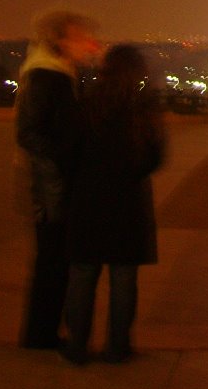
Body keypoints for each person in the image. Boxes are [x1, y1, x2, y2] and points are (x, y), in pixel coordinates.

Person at [60, 45, 166, 364]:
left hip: (88, 197)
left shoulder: (86, 102)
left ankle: (77, 345)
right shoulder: (143, 107)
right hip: (128, 200)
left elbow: (67, 151)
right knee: (123, 277)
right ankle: (118, 347)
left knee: (82, 273)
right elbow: (155, 156)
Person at [15, 9, 101, 349]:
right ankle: (41, 335)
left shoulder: (58, 75)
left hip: (58, 184)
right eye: (80, 37)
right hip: (54, 188)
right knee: (52, 263)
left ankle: (43, 333)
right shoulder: (47, 78)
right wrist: (60, 167)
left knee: (54, 263)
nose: (88, 44)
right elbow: (29, 133)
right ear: (60, 41)